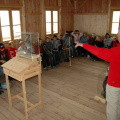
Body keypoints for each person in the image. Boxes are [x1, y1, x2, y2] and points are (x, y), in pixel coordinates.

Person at [75, 33, 120, 120]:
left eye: (119, 33)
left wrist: (83, 45)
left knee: (113, 109)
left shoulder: (117, 51)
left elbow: (100, 52)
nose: (117, 35)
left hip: (115, 84)